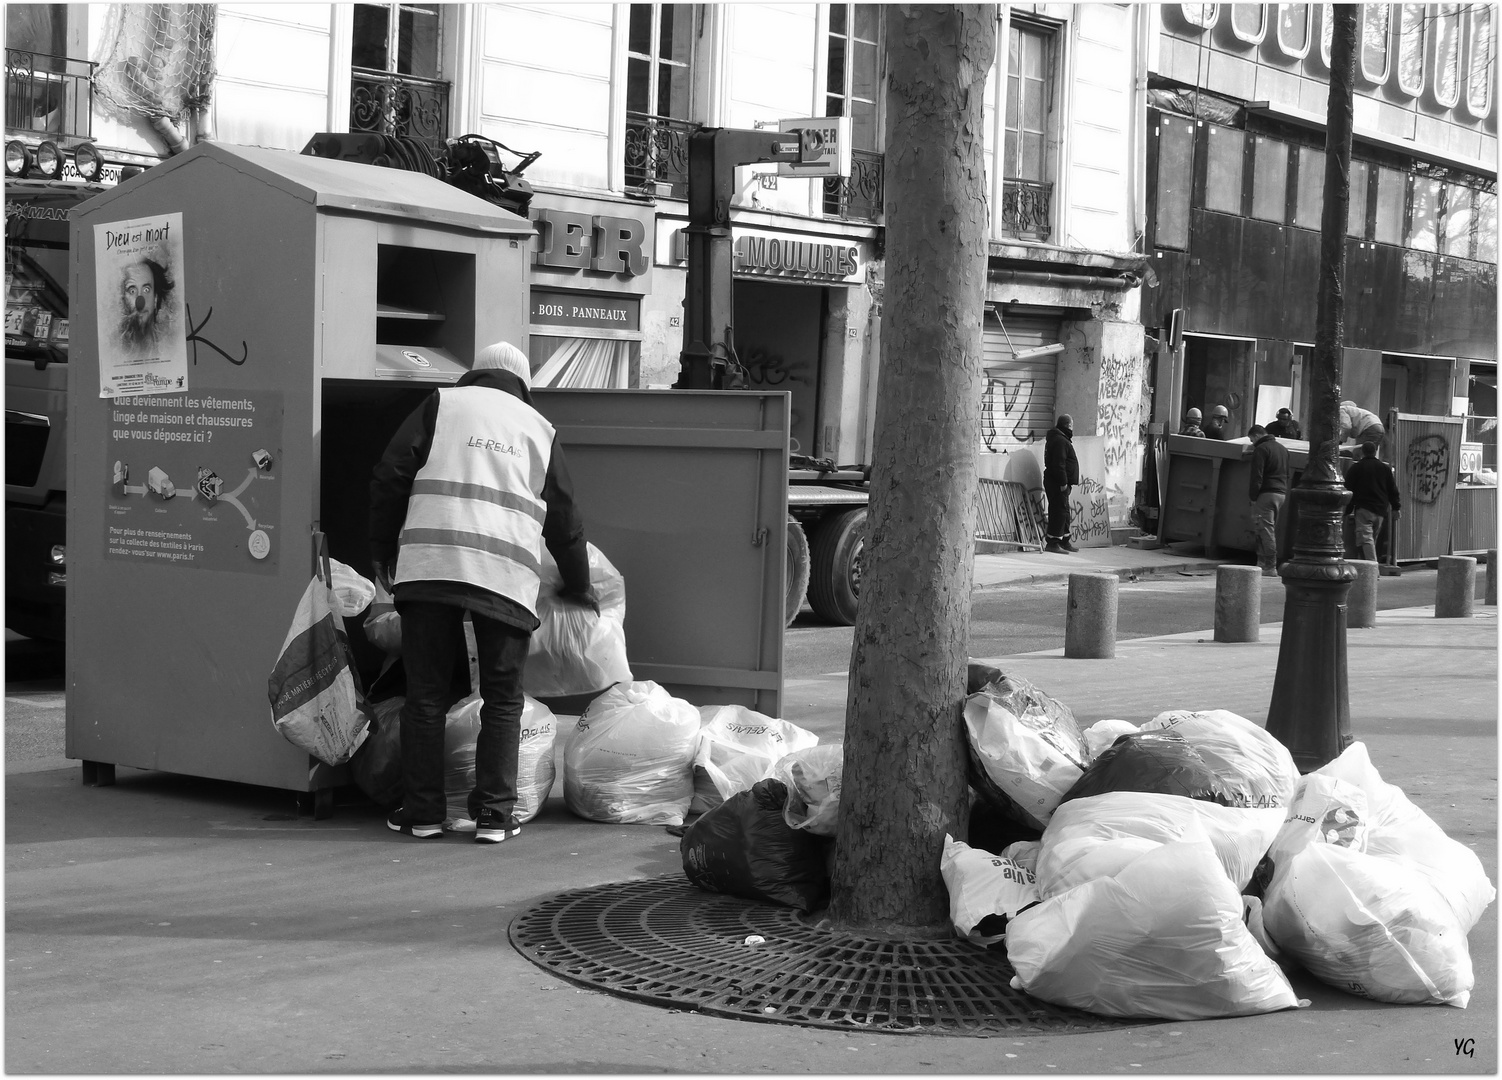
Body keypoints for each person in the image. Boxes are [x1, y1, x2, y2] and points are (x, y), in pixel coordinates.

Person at [369, 341, 597, 844]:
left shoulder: (440, 405)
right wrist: (580, 586)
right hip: (504, 578)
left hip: (431, 567)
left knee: (425, 694)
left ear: (477, 373)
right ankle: (494, 814)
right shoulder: (539, 428)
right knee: (502, 697)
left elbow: (390, 475)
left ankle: (423, 813)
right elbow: (564, 519)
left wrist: (382, 550)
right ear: (522, 384)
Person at [1344, 440, 1402, 565]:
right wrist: (1396, 507)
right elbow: (1392, 489)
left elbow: (1348, 489)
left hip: (1364, 509)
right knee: (1370, 540)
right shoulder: (1384, 468)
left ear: (1362, 452)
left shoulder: (1356, 468)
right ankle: (1364, 568)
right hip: (1380, 510)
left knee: (1365, 540)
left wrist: (1347, 510)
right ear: (1375, 452)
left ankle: (1372, 569)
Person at [1247, 424, 1289, 576]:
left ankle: (1270, 566)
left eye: (1252, 440)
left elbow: (1257, 476)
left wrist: (1253, 497)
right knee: (1268, 529)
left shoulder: (1261, 449)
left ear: (1257, 436)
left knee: (1265, 530)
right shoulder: (1282, 449)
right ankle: (1262, 563)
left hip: (1266, 494)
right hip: (1281, 493)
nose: (1252, 443)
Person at [1043, 414, 1079, 555]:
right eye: (1071, 425)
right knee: (1058, 511)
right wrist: (1063, 482)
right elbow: (1059, 464)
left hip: (1058, 482)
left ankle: (1064, 540)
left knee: (1064, 511)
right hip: (1057, 483)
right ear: (1068, 425)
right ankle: (1053, 543)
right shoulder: (1060, 441)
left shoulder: (1060, 439)